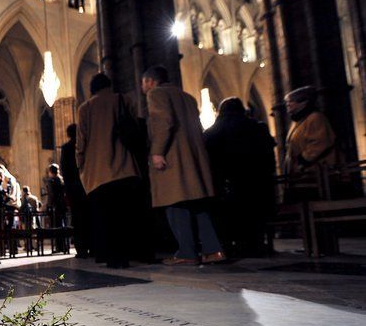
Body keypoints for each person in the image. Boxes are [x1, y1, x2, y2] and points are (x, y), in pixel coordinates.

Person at [142, 65, 225, 265]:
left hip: (173, 158)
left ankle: (187, 252)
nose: (143, 87)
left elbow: (164, 121)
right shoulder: (187, 97)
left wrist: (157, 151)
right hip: (193, 159)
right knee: (198, 204)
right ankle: (214, 250)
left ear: (151, 81)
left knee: (175, 204)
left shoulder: (156, 94)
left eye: (143, 83)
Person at [77, 73, 147, 268]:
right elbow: (135, 126)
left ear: (92, 88)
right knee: (125, 215)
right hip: (125, 168)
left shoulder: (86, 108)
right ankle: (126, 255)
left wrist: (81, 166)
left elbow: (81, 141)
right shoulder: (123, 99)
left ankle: (111, 257)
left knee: (104, 217)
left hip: (98, 172)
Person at [205, 97, 276, 257]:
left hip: (227, 183)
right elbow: (269, 155)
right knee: (255, 214)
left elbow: (209, 159)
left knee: (229, 215)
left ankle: (230, 244)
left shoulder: (213, 131)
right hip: (258, 182)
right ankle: (256, 244)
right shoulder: (258, 127)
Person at [283, 86, 337, 198]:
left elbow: (320, 142)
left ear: (303, 102)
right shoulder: (297, 121)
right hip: (299, 174)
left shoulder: (316, 118)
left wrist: (302, 161)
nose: (287, 105)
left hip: (315, 172)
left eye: (291, 102)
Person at [60, 123, 90, 258]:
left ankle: (81, 249)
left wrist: (67, 188)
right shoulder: (86, 144)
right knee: (89, 216)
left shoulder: (66, 148)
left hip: (73, 188)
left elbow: (64, 170)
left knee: (77, 219)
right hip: (86, 185)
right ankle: (93, 247)